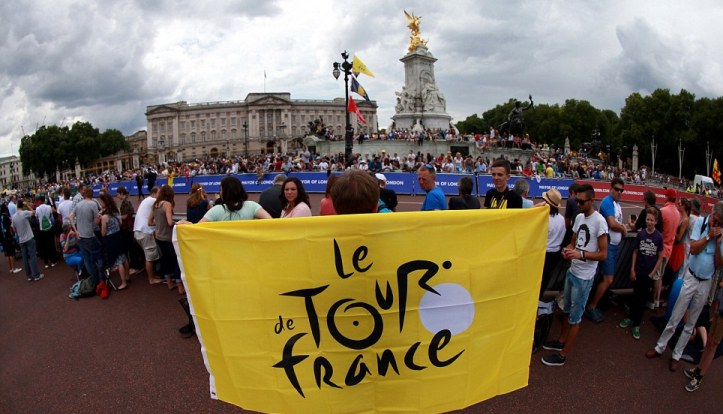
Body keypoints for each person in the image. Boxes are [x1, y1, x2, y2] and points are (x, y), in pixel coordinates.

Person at [646, 201, 723, 373]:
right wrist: (709, 236)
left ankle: (676, 355)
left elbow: (719, 265)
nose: (716, 225)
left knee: (691, 323)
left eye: (720, 223)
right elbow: (693, 249)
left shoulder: (721, 234)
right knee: (676, 316)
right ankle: (660, 347)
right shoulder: (700, 223)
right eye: (715, 220)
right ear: (711, 214)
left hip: (706, 282)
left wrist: (718, 243)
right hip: (691, 277)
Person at [541, 184, 608, 366]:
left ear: (591, 201)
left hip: (584, 278)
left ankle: (563, 355)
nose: (577, 204)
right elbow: (573, 242)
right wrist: (568, 251)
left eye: (581, 201)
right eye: (576, 200)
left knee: (575, 318)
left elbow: (603, 254)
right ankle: (561, 341)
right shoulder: (579, 218)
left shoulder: (600, 222)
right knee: (565, 310)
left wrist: (581, 254)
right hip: (572, 271)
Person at [586, 178, 628, 323]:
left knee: (604, 277)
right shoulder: (607, 202)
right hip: (607, 246)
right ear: (611, 189)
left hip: (614, 246)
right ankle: (592, 306)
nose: (619, 192)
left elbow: (617, 222)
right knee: (608, 279)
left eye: (621, 190)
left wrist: (624, 226)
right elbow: (611, 223)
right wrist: (623, 228)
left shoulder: (617, 204)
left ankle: (595, 302)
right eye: (617, 189)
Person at [619, 207, 664, 340]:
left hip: (648, 274)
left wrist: (653, 273)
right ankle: (630, 318)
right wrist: (632, 269)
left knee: (642, 299)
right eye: (647, 219)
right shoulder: (641, 234)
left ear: (656, 221)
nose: (649, 222)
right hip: (638, 271)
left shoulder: (658, 237)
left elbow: (660, 257)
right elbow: (635, 252)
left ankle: (637, 323)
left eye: (651, 220)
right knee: (635, 295)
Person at [683, 280, 723, 391]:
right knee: (709, 341)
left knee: (713, 345)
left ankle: (699, 377)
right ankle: (698, 369)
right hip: (719, 311)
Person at [651, 188, 681, 309]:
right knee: (660, 276)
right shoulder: (678, 213)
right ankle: (656, 300)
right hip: (669, 248)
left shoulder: (663, 211)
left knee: (657, 277)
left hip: (661, 248)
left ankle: (655, 301)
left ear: (668, 197)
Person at [150, 185, 182, 294]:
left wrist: (159, 224)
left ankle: (169, 282)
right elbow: (169, 222)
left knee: (166, 259)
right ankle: (179, 284)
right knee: (176, 259)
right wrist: (178, 223)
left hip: (159, 237)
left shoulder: (155, 204)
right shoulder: (167, 204)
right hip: (168, 237)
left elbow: (149, 222)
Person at [69, 187, 104, 285]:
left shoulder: (79, 204)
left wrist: (75, 230)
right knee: (99, 256)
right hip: (89, 235)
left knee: (86, 259)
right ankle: (101, 279)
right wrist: (99, 216)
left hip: (80, 236)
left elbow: (71, 216)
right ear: (92, 195)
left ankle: (94, 279)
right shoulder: (93, 204)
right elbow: (96, 222)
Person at [537, 189, 565, 299]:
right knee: (545, 279)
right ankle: (539, 299)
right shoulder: (561, 219)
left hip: (543, 253)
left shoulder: (544, 219)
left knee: (538, 280)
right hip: (555, 253)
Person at [99, 193, 130, 291]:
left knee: (118, 261)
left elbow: (103, 233)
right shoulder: (116, 211)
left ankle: (123, 282)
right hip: (119, 235)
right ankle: (127, 276)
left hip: (111, 239)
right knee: (124, 257)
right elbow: (120, 223)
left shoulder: (104, 217)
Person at [133, 186, 164, 285]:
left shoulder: (146, 200)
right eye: (159, 193)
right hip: (144, 232)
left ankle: (152, 276)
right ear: (154, 193)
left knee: (149, 255)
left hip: (139, 231)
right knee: (150, 257)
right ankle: (151, 278)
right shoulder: (153, 201)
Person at [11, 199, 44, 281]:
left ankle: (29, 276)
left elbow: (13, 229)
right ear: (22, 205)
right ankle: (36, 275)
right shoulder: (24, 213)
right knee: (32, 257)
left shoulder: (13, 217)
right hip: (29, 237)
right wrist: (27, 205)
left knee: (25, 259)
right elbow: (33, 212)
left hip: (21, 239)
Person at [1, 204, 22, 273]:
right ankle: (14, 268)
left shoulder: (1, 217)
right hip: (9, 236)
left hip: (4, 237)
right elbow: (11, 228)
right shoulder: (6, 217)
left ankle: (10, 268)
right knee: (12, 253)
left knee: (7, 254)